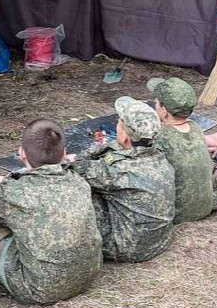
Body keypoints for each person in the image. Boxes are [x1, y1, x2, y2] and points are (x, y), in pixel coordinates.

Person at [0, 118, 103, 304]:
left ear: (22, 153)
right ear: (64, 153)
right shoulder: (78, 180)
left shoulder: (14, 191)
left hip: (37, 289)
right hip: (88, 275)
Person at [70, 97, 175, 262]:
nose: (116, 125)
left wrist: (95, 150)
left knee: (80, 190)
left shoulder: (116, 171)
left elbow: (78, 166)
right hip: (161, 240)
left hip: (130, 248)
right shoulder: (159, 154)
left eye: (119, 123)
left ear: (125, 136)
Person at [149, 77, 214, 223]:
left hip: (179, 213)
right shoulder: (196, 128)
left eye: (156, 101)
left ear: (164, 110)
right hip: (205, 207)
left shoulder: (162, 137)